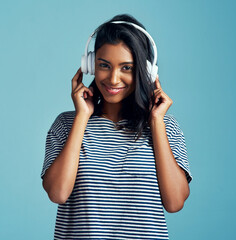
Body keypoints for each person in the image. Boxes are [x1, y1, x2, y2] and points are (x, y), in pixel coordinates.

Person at [41, 14, 192, 240]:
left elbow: (174, 202)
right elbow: (58, 193)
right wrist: (82, 116)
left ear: (146, 71)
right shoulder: (66, 124)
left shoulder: (165, 126)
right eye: (104, 65)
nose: (113, 79)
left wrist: (156, 121)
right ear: (90, 65)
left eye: (127, 68)